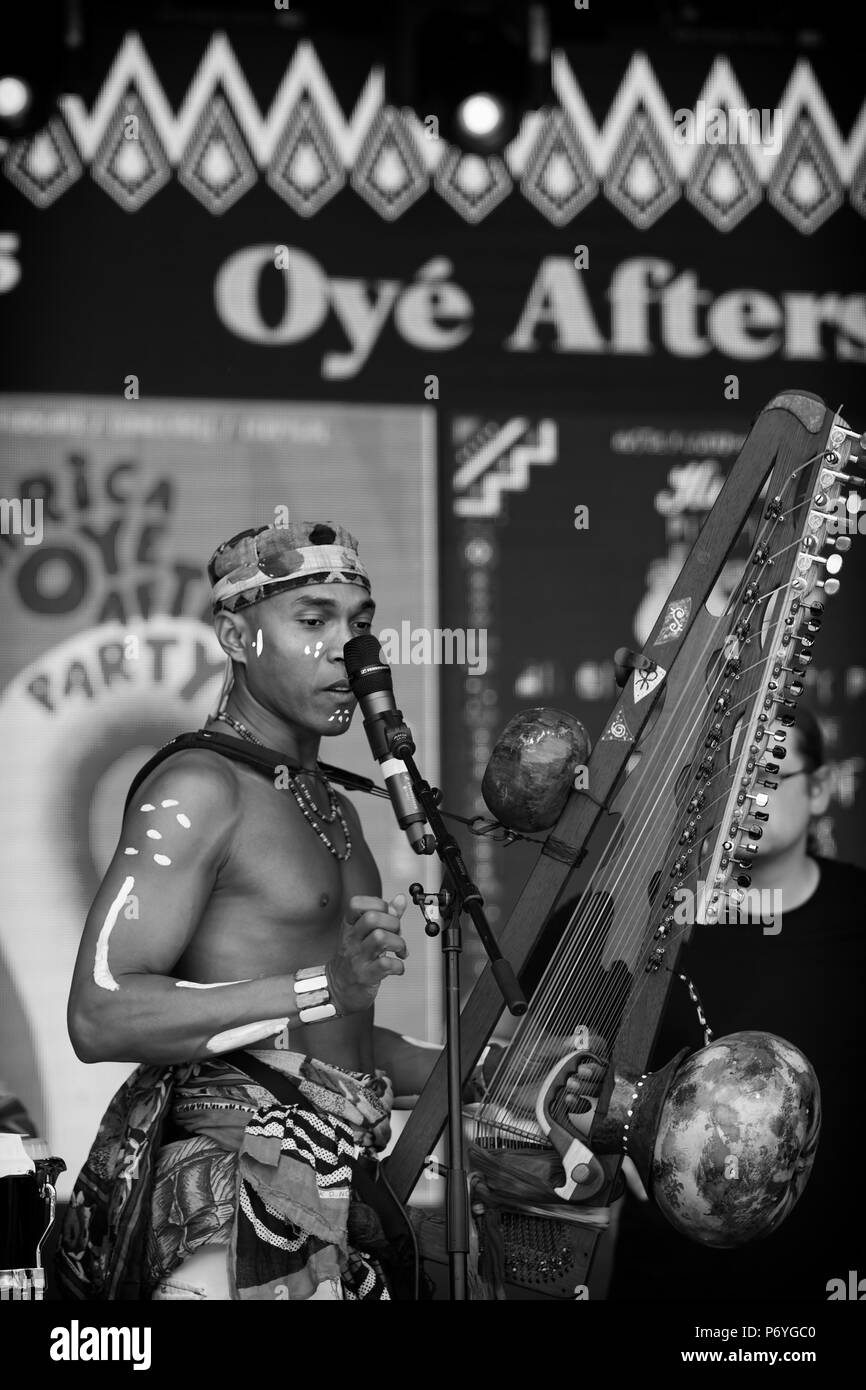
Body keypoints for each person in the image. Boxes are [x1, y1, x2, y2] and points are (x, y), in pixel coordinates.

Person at [56, 520, 446, 1302]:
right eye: (313, 621)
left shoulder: (337, 808)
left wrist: (490, 1070)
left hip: (332, 1190)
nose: (351, 648)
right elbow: (99, 1014)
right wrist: (320, 985)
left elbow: (341, 1048)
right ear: (236, 635)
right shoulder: (199, 788)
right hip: (226, 1208)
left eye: (361, 623)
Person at [608, 706, 866, 1301]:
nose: (749, 793)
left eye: (771, 771)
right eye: (734, 773)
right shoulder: (647, 923)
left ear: (822, 788)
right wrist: (608, 1127)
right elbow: (543, 1061)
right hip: (669, 1275)